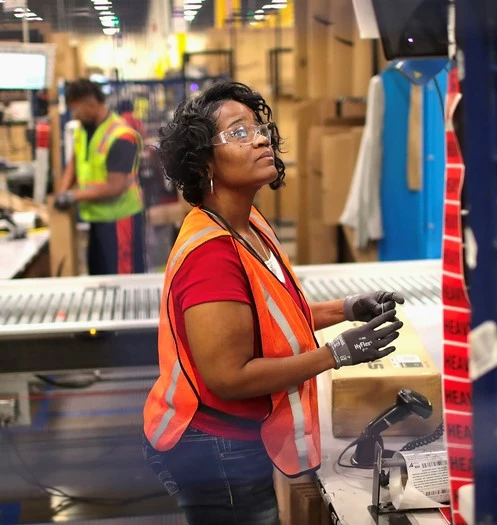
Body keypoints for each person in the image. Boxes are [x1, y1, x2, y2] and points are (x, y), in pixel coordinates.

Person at [142, 81, 405, 525]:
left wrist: (345, 309)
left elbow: (270, 318)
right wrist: (335, 354)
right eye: (239, 132)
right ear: (204, 161)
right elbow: (229, 377)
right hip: (214, 445)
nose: (262, 138)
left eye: (259, 128)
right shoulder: (211, 255)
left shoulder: (248, 224)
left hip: (243, 435)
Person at [55, 79, 146, 275]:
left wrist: (73, 196)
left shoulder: (120, 135)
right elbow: (74, 162)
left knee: (123, 281)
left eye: (76, 109)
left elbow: (115, 187)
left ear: (91, 104)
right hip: (97, 219)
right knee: (99, 277)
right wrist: (62, 191)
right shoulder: (83, 130)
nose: (74, 115)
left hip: (120, 221)